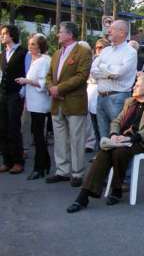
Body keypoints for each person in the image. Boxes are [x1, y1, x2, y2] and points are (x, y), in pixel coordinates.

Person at [66, 75, 144, 213]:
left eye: (138, 84)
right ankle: (83, 197)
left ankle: (117, 189)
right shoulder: (130, 101)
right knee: (104, 152)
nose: (134, 86)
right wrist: (114, 135)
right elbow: (117, 121)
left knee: (119, 152)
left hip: (142, 141)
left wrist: (131, 139)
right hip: (123, 139)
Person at [45, 22, 92, 187]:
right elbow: (49, 75)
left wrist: (59, 88)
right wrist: (51, 87)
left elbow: (82, 76)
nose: (58, 34)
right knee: (59, 139)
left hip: (74, 102)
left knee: (76, 139)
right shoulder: (57, 53)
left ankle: (78, 173)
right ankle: (62, 171)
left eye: (60, 32)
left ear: (70, 34)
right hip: (57, 103)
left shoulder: (83, 52)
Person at [91, 20, 137, 139]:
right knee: (103, 136)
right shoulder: (106, 50)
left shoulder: (130, 52)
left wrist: (103, 68)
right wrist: (109, 71)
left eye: (112, 29)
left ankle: (116, 158)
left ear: (122, 32)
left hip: (118, 98)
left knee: (117, 135)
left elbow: (118, 73)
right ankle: (105, 158)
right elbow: (93, 71)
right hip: (101, 96)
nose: (108, 31)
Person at [15, 34, 51, 179]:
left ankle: (39, 167)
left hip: (40, 104)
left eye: (33, 44)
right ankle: (45, 163)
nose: (30, 46)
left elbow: (43, 83)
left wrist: (27, 81)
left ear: (40, 46)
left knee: (38, 136)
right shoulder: (35, 60)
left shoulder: (44, 60)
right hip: (33, 103)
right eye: (29, 44)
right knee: (36, 134)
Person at [0, 25, 27, 174]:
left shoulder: (23, 52)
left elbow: (27, 73)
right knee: (2, 127)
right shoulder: (3, 53)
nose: (2, 36)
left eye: (4, 33)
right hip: (3, 94)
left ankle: (18, 161)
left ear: (12, 35)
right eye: (1, 34)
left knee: (13, 128)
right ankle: (7, 161)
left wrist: (22, 93)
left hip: (16, 94)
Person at [86, 38, 110, 152]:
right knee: (94, 125)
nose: (98, 50)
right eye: (96, 47)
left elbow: (105, 75)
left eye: (101, 47)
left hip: (102, 93)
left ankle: (104, 153)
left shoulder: (108, 61)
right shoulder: (94, 60)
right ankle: (98, 152)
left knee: (103, 127)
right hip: (91, 93)